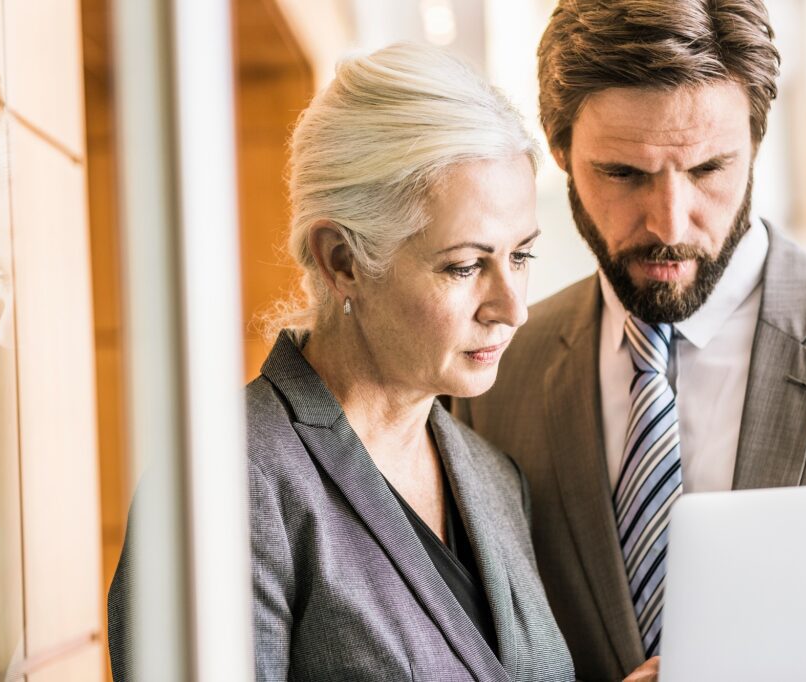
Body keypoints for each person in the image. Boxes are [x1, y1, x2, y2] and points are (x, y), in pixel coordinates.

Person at [454, 0, 806, 680]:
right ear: (559, 152)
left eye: (707, 171)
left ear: (756, 143)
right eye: (623, 174)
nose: (670, 221)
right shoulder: (495, 374)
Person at [109, 43, 576, 681]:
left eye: (520, 256)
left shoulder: (494, 479)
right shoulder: (220, 487)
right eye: (465, 265)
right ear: (341, 261)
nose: (511, 307)